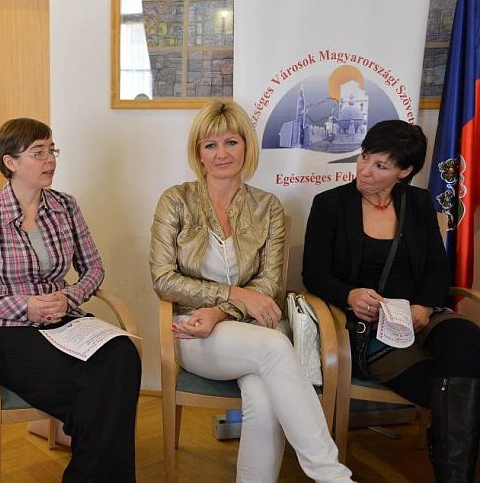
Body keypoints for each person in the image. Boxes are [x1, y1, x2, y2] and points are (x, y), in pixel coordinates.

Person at [150, 100, 353, 483]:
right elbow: (164, 279)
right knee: (276, 347)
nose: (222, 154)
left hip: (251, 325)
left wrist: (221, 310)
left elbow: (268, 285)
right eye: (210, 145)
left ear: (247, 146)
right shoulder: (175, 200)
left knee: (263, 397)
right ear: (198, 153)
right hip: (193, 330)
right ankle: (332, 476)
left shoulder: (268, 206)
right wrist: (234, 295)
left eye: (231, 142)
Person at [0, 118, 141, 483]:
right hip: (8, 329)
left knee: (123, 354)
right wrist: (22, 306)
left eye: (52, 150)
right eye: (38, 153)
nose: (50, 160)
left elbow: (94, 268)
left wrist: (68, 297)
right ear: (10, 162)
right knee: (95, 391)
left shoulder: (66, 206)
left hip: (64, 321)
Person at [303, 119, 480, 482]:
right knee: (453, 389)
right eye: (364, 156)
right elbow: (314, 274)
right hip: (367, 329)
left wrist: (424, 307)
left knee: (468, 344)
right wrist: (349, 295)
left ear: (405, 171)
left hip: (420, 313)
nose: (365, 170)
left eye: (380, 165)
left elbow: (437, 268)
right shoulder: (330, 204)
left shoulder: (417, 203)